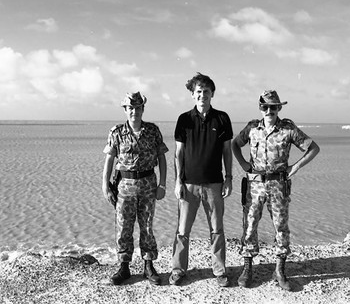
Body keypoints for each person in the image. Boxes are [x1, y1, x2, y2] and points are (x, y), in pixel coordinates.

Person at [232, 90, 320, 290]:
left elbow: (313, 148)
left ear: (279, 108)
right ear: (260, 108)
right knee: (250, 224)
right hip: (254, 186)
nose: (269, 110)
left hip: (279, 185)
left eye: (273, 107)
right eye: (265, 106)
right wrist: (243, 163)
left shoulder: (288, 129)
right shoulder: (252, 128)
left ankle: (279, 269)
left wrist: (295, 167)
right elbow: (235, 145)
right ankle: (247, 268)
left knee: (281, 226)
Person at [169, 72, 233, 287]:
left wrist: (229, 178)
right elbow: (178, 153)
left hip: (215, 183)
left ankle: (220, 270)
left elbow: (227, 151)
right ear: (192, 94)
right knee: (182, 230)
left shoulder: (222, 118)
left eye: (206, 91)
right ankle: (178, 269)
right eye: (198, 92)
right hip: (188, 184)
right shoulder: (184, 119)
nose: (202, 95)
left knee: (217, 229)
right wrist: (178, 181)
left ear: (212, 93)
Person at [102, 92, 168, 286]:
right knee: (123, 227)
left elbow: (162, 158)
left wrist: (162, 184)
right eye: (130, 108)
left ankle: (148, 266)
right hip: (124, 187)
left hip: (148, 184)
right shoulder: (116, 132)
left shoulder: (153, 131)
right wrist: (105, 185)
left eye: (138, 108)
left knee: (147, 226)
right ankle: (124, 267)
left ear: (143, 109)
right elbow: (109, 159)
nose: (134, 112)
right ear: (125, 110)